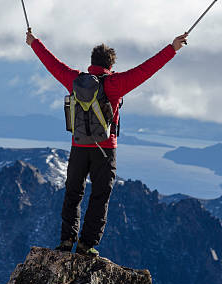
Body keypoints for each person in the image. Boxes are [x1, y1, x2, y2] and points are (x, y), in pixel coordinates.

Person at [26, 29, 188, 256]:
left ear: (91, 62)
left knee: (73, 193)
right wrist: (172, 49)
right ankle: (86, 245)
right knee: (99, 197)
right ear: (110, 65)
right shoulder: (115, 83)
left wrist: (34, 43)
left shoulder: (74, 79)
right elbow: (147, 69)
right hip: (105, 149)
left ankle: (66, 240)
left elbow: (52, 63)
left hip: (79, 146)